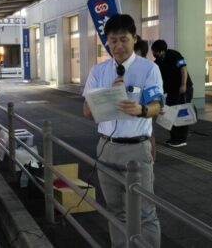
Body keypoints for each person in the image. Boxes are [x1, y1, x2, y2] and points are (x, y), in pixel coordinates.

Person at [83, 14, 163, 248]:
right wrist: (107, 94)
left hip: (137, 150)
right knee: (116, 211)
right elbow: (87, 111)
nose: (118, 46)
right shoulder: (98, 71)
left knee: (145, 212)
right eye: (113, 40)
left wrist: (141, 109)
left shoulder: (148, 69)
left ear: (134, 38)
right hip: (106, 147)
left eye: (124, 39)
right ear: (106, 41)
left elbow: (157, 105)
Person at [151, 39, 193, 147]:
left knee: (181, 113)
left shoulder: (174, 55)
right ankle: (174, 138)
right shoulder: (158, 62)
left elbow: (183, 68)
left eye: (155, 52)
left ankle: (181, 139)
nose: (154, 54)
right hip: (171, 91)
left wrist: (183, 84)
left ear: (162, 51)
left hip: (182, 89)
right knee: (169, 114)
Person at [134, 36, 157, 161]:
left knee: (149, 134)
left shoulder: (149, 68)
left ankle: (150, 159)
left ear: (138, 52)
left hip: (145, 108)